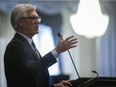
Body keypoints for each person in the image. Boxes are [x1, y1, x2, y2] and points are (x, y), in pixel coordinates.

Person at [4, 4, 78, 87]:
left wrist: (55, 86)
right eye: (32, 18)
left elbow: (33, 81)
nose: (38, 21)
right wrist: (57, 51)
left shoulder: (29, 44)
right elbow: (32, 70)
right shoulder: (16, 45)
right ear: (20, 22)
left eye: (37, 18)